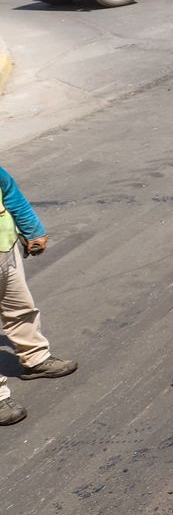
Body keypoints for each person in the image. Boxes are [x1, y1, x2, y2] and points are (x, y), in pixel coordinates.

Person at [0, 165, 78, 426]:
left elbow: (10, 192)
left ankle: (35, 359)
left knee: (21, 309)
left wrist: (33, 230)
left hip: (4, 249)